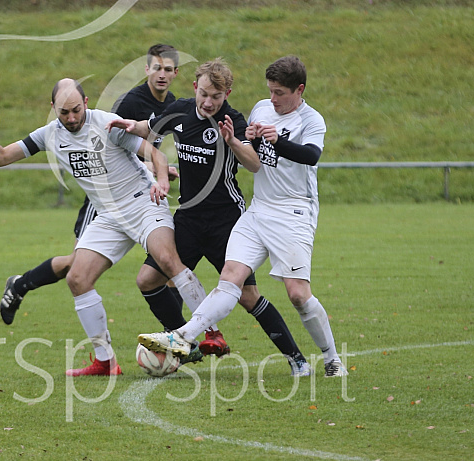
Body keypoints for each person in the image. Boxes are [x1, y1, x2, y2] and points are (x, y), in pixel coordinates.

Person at [0, 78, 209, 376]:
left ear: (85, 103)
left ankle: (209, 332)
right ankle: (105, 362)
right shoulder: (49, 134)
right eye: (63, 113)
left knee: (167, 259)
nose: (71, 118)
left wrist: (161, 178)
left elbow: (154, 154)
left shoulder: (107, 123)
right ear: (53, 109)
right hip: (108, 214)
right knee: (77, 278)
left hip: (142, 201)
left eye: (75, 110)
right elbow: (3, 158)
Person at [137, 55, 349, 377]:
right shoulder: (261, 109)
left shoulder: (310, 120)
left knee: (295, 295)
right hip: (248, 211)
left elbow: (304, 156)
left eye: (279, 92)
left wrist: (255, 141)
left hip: (285, 212)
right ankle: (182, 338)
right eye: (270, 91)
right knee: (219, 279)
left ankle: (323, 359)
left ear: (299, 90)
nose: (272, 98)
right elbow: (152, 133)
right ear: (195, 88)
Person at [0, 44, 180, 327]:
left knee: (165, 265)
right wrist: (152, 168)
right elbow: (112, 149)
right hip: (105, 198)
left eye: (168, 69)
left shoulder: (172, 104)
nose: (162, 75)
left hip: (138, 194)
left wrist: (160, 169)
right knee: (76, 267)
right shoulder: (130, 103)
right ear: (147, 69)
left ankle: (176, 336)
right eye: (157, 68)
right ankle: (21, 285)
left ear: (176, 73)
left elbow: (144, 153)